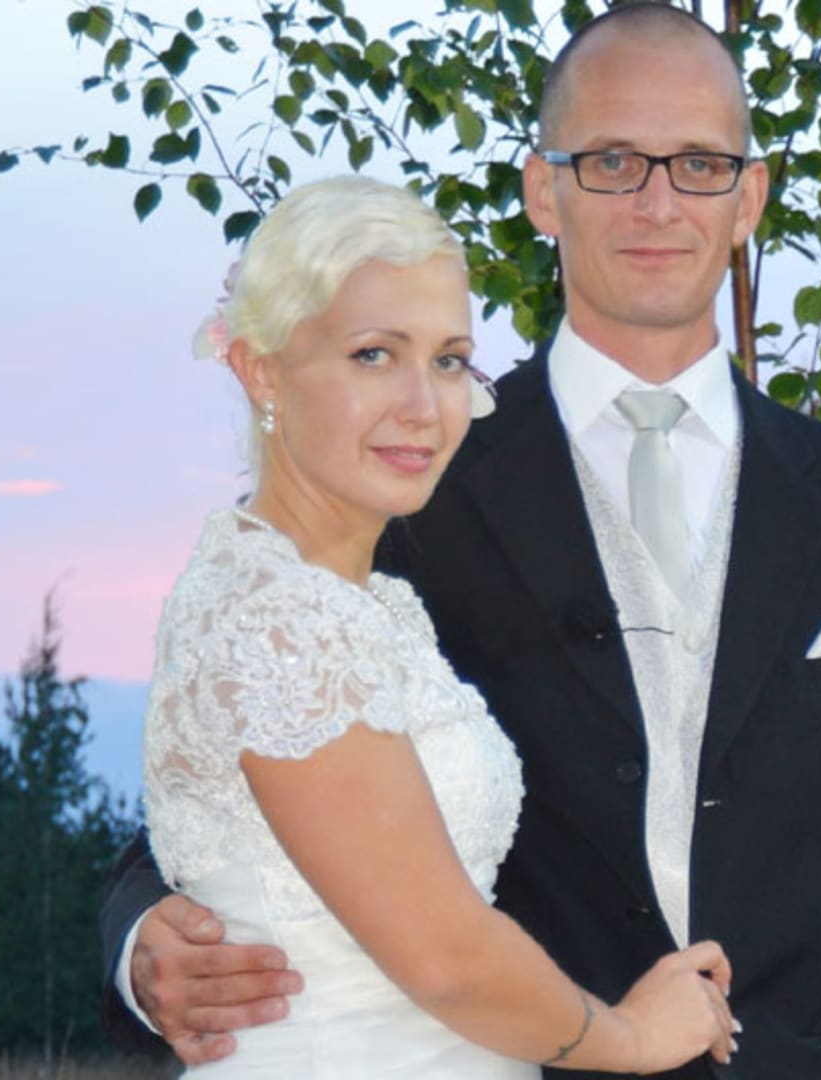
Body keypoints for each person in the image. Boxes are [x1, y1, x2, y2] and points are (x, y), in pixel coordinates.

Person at [104, 4, 821, 1076]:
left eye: (699, 165)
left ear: (749, 198)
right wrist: (138, 939)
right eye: (614, 161)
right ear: (544, 189)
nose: (657, 203)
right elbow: (246, 760)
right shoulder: (402, 488)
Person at [137, 173, 739, 1078]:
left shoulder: (358, 602)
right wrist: (631, 1038)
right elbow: (448, 959)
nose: (423, 405)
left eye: (450, 360)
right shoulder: (283, 620)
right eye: (374, 355)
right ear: (261, 369)